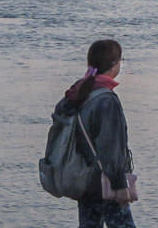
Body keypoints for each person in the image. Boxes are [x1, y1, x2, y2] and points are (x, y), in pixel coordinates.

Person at [57, 39, 136, 228]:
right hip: (106, 181)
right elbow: (111, 147)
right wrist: (120, 185)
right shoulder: (107, 100)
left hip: (83, 179)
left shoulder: (78, 92)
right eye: (120, 60)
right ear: (114, 65)